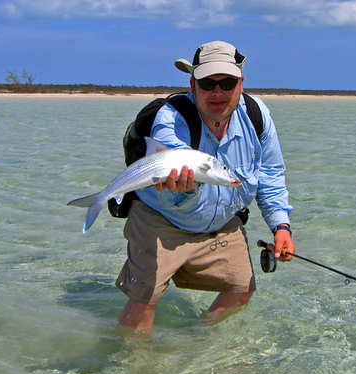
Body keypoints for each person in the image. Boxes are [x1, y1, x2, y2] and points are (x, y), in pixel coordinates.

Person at [116, 40, 295, 334]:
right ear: (192, 84)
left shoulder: (257, 116)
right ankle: (133, 370)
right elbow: (175, 190)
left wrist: (281, 226)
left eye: (227, 83)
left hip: (221, 221)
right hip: (162, 219)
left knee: (241, 289)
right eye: (208, 83)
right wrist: (185, 190)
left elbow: (270, 174)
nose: (218, 92)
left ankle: (194, 345)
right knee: (144, 301)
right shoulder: (171, 120)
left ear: (241, 83)